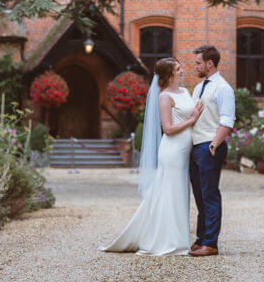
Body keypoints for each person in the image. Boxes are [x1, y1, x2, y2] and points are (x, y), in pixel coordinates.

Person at [99, 57, 204, 256]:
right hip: (172, 151)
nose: (183, 71)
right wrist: (192, 119)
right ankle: (168, 240)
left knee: (180, 194)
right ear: (170, 74)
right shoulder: (164, 97)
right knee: (170, 194)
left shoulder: (185, 92)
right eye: (179, 69)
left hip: (185, 150)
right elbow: (168, 128)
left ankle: (180, 239)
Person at [188, 45, 235, 257]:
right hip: (195, 146)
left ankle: (211, 243)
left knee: (210, 194)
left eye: (198, 63)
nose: (194, 66)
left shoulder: (223, 88)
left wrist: (214, 145)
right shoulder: (198, 87)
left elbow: (227, 120)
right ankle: (201, 238)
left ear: (210, 63)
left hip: (210, 146)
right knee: (199, 195)